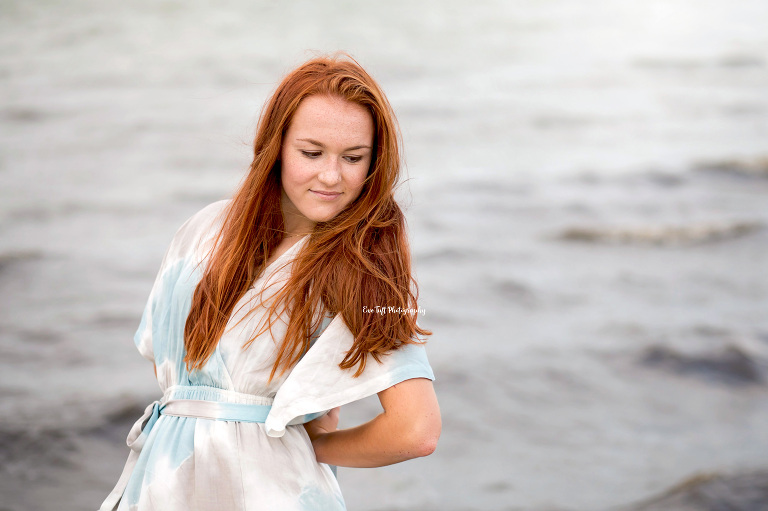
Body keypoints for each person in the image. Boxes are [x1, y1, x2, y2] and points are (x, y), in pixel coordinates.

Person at [99, 54, 441, 511]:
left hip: (250, 488)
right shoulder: (206, 230)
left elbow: (416, 429)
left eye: (353, 157)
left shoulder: (367, 267)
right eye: (311, 152)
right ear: (275, 146)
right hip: (170, 482)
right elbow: (170, 364)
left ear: (374, 163)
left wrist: (309, 447)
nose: (331, 175)